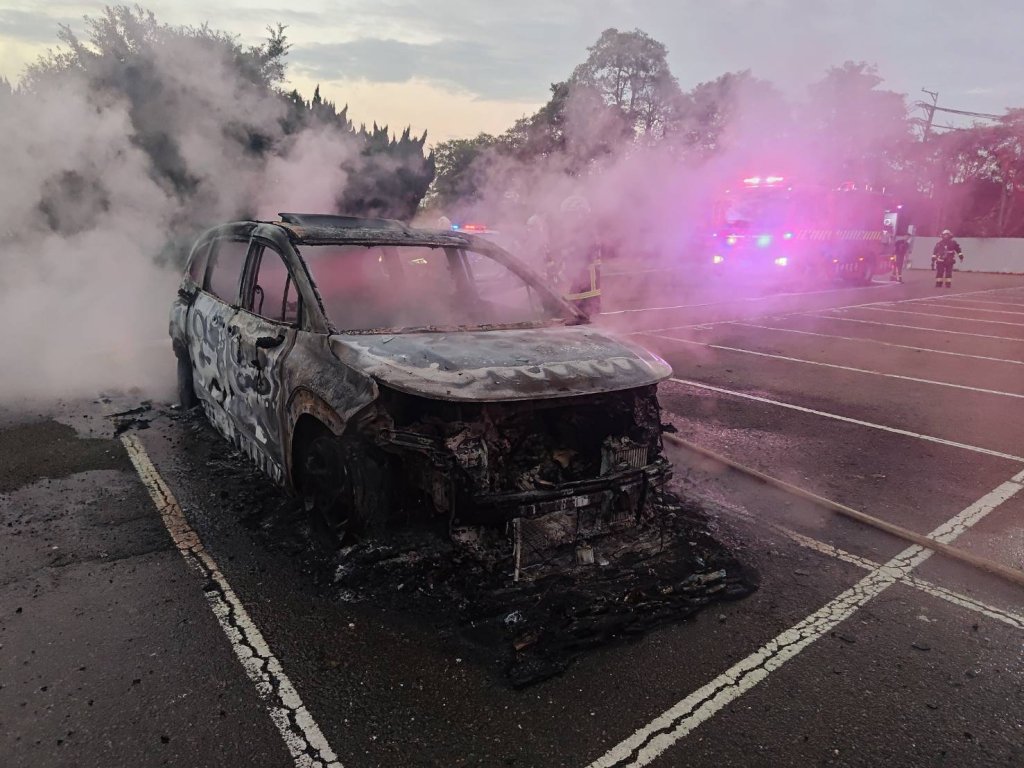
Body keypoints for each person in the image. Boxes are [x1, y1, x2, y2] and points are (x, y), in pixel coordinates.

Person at [556, 195, 603, 316]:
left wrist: (560, 277)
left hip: (584, 295)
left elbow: (578, 263)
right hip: (583, 294)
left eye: (569, 216)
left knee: (581, 328)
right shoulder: (582, 233)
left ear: (579, 215)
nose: (566, 220)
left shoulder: (584, 235)